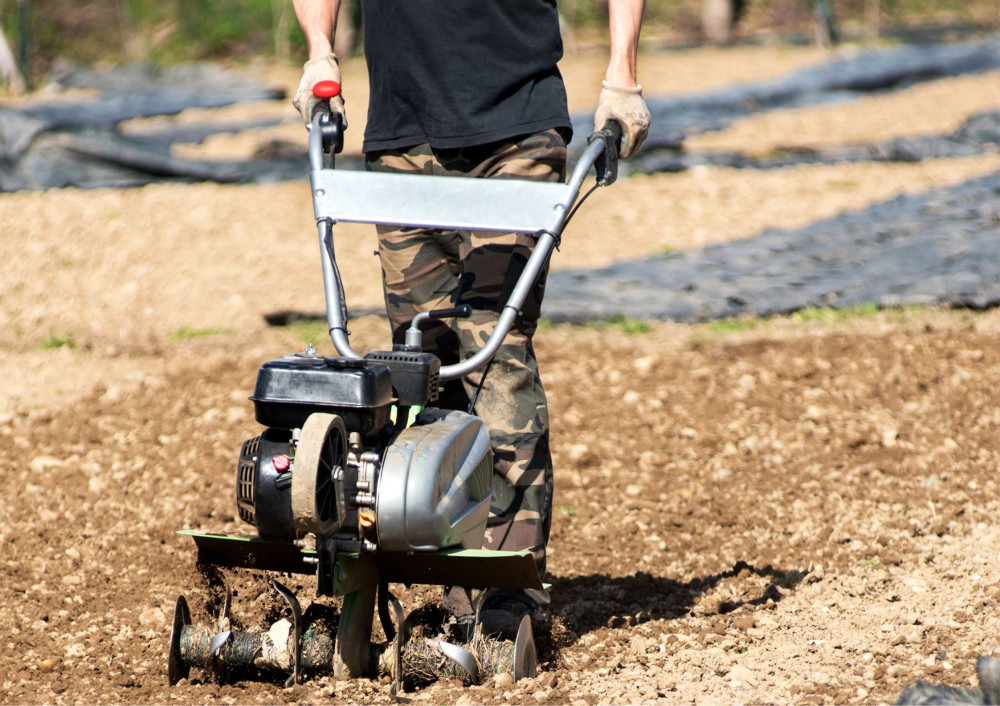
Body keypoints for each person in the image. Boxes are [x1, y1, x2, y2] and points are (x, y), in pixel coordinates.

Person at [291, 0, 650, 623]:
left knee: (496, 351)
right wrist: (319, 50)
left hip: (516, 128)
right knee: (421, 364)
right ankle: (453, 572)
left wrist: (622, 75)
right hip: (402, 133)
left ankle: (511, 585)